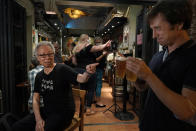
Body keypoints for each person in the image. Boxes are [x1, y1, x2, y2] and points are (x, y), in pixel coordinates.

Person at [126, 0, 196, 130]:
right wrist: (136, 77)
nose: (153, 36)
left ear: (179, 24)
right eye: (152, 29)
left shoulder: (192, 56)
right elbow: (144, 87)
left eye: (157, 28)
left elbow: (188, 112)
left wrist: (149, 76)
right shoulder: (159, 56)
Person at [12, 41, 98, 131]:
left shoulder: (62, 69)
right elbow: (35, 99)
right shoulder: (39, 75)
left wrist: (87, 73)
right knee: (16, 127)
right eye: (43, 55)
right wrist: (38, 119)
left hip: (64, 113)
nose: (47, 58)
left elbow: (81, 79)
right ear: (37, 57)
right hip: (46, 111)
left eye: (50, 54)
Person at [72, 34, 111, 115]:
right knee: (90, 90)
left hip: (79, 71)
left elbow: (74, 62)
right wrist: (105, 44)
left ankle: (82, 108)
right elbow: (98, 48)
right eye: (89, 39)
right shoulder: (87, 46)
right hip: (90, 70)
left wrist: (81, 65)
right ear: (87, 39)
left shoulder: (76, 48)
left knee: (83, 90)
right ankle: (88, 109)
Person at [94, 37, 108, 107]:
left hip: (98, 68)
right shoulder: (96, 50)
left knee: (95, 85)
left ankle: (95, 99)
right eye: (99, 42)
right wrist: (103, 55)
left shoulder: (97, 49)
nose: (100, 43)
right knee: (98, 85)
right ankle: (98, 102)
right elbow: (96, 59)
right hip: (98, 69)